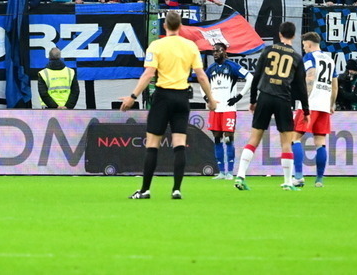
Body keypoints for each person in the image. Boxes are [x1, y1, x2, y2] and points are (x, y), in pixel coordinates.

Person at [120, 11, 216, 200]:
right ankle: (176, 189)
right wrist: (211, 99)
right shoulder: (190, 46)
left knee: (152, 144)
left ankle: (145, 190)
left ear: (165, 26)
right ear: (180, 26)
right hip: (182, 98)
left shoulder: (157, 45)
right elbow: (201, 75)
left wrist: (133, 96)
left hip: (163, 97)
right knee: (179, 144)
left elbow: (148, 74)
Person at [233, 21, 310, 191]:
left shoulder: (268, 50)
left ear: (279, 34)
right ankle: (288, 182)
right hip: (283, 99)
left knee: (254, 138)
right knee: (286, 142)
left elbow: (256, 76)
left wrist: (253, 100)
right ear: (294, 35)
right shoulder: (297, 57)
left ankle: (240, 176)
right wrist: (306, 110)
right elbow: (301, 87)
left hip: (265, 97)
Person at [290, 32, 338, 188]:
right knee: (320, 142)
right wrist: (331, 104)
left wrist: (305, 101)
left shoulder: (310, 57)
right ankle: (319, 180)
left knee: (295, 138)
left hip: (311, 103)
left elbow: (310, 76)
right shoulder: (330, 60)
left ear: (309, 44)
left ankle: (298, 176)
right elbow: (334, 86)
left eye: (304, 45)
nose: (304, 48)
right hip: (324, 105)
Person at [205, 43, 252, 180]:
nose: (215, 53)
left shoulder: (232, 66)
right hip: (215, 109)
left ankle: (230, 172)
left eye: (218, 51)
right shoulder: (211, 69)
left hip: (228, 109)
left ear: (225, 52)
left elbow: (250, 78)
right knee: (217, 138)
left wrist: (239, 96)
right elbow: (202, 82)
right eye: (213, 51)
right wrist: (207, 98)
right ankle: (221, 172)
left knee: (228, 138)